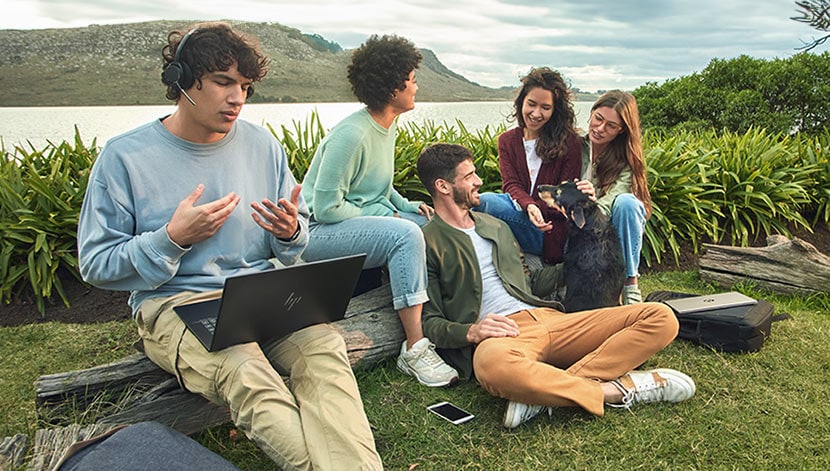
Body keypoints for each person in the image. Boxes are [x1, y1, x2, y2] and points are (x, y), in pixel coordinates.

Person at [77, 22, 382, 470]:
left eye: (245, 86)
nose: (237, 97)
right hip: (176, 302)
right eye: (223, 82)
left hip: (261, 295)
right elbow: (96, 264)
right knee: (246, 370)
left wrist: (290, 233)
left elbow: (294, 241)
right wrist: (171, 239)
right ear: (182, 79)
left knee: (325, 352)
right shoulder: (124, 157)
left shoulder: (262, 144)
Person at [416, 143, 696, 428]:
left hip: (554, 319)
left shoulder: (495, 226)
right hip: (503, 336)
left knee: (661, 318)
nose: (478, 182)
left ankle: (543, 394)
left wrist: (583, 263)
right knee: (491, 368)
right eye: (469, 176)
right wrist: (473, 331)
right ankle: (619, 389)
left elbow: (531, 283)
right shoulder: (427, 242)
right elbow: (429, 322)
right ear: (443, 186)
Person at [300, 34, 458, 387]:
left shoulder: (386, 125)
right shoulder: (351, 136)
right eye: (411, 78)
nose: (417, 85)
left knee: (440, 222)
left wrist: (403, 205)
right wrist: (387, 217)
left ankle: (449, 317)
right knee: (404, 234)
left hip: (355, 220)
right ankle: (415, 348)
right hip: (316, 233)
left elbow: (378, 185)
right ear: (391, 88)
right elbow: (325, 208)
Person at [474, 67, 582, 266]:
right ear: (521, 102)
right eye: (531, 104)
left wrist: (537, 209)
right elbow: (511, 184)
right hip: (520, 211)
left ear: (555, 109)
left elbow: (565, 197)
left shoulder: (569, 143)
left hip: (547, 229)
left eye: (545, 107)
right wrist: (529, 205)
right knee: (478, 200)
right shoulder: (507, 141)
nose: (536, 113)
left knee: (486, 202)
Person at [579, 90, 652, 304]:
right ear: (591, 113)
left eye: (611, 126)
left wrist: (589, 210)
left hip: (607, 223)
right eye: (598, 119)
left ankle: (630, 283)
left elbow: (612, 200)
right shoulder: (575, 145)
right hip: (573, 223)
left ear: (621, 130)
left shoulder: (626, 159)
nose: (600, 129)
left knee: (628, 203)